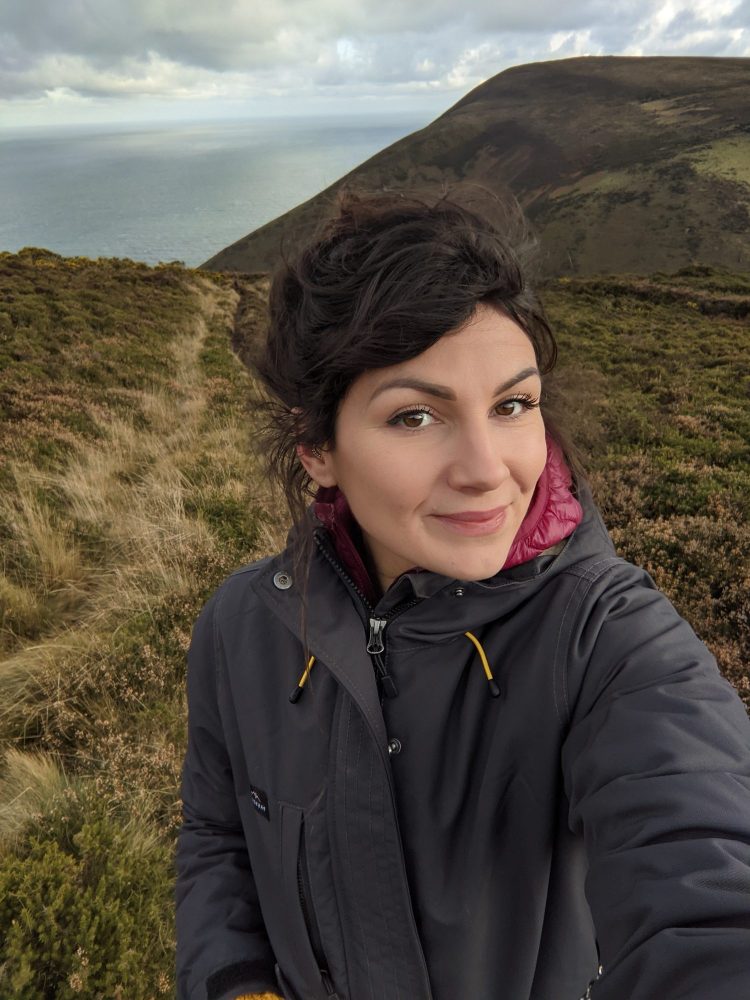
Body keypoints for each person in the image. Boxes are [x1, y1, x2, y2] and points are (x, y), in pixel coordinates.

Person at [174, 191, 750, 1000]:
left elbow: (709, 886)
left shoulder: (608, 640)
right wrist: (234, 982)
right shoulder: (242, 627)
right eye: (415, 417)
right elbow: (218, 835)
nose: (487, 467)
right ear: (316, 447)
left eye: (513, 405)